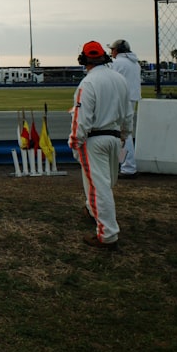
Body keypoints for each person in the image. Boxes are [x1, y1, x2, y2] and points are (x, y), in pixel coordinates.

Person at [69, 41, 133, 249]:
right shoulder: (120, 79)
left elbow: (82, 118)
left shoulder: (88, 83)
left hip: (94, 139)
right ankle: (92, 209)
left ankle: (107, 234)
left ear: (83, 60)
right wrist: (124, 135)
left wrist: (75, 141)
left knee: (99, 186)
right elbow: (128, 112)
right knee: (104, 183)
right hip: (115, 137)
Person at [109, 39, 142, 178]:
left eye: (112, 49)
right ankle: (125, 164)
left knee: (122, 135)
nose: (111, 52)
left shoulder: (116, 64)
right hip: (132, 98)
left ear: (117, 50)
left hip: (121, 100)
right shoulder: (135, 63)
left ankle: (128, 166)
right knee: (124, 134)